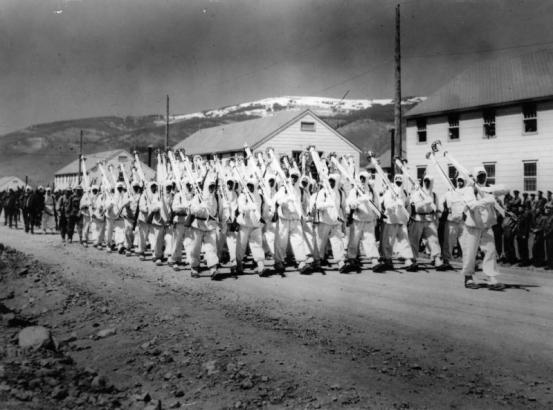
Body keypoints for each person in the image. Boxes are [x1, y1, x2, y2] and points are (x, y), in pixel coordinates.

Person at [459, 167, 506, 290]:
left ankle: (491, 277)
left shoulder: (488, 188)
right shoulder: (470, 189)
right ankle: (468, 277)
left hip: (487, 225)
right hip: (473, 225)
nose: (482, 178)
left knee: (490, 251)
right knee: (470, 252)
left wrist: (488, 190)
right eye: (479, 176)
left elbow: (506, 189)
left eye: (483, 175)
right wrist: (486, 200)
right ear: (475, 177)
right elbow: (471, 204)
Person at [373, 175, 415, 272]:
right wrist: (395, 204)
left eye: (400, 181)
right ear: (394, 181)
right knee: (389, 241)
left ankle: (408, 260)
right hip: (391, 219)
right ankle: (388, 260)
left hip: (401, 220)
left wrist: (407, 215)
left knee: (404, 241)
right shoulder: (389, 191)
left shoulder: (404, 192)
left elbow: (408, 205)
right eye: (397, 181)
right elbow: (387, 204)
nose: (398, 183)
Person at [273, 169, 309, 274]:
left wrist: (304, 215)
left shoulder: (301, 190)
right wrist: (286, 199)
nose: (293, 179)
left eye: (295, 177)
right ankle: (279, 262)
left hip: (296, 219)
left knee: (298, 241)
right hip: (284, 219)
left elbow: (305, 204)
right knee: (281, 241)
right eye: (292, 176)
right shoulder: (284, 188)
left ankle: (301, 262)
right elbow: (277, 200)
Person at [344, 171, 380, 272]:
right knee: (353, 241)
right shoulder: (354, 191)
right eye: (361, 178)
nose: (362, 180)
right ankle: (351, 259)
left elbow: (377, 205)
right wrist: (360, 200)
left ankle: (374, 261)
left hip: (369, 220)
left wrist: (377, 217)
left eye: (364, 178)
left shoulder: (372, 191)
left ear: (367, 179)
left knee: (370, 241)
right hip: (357, 220)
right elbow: (350, 204)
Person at [408, 175, 444, 270]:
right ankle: (413, 259)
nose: (427, 183)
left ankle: (437, 259)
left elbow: (438, 208)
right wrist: (425, 202)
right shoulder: (417, 193)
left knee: (434, 240)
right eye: (426, 181)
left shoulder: (434, 195)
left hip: (430, 219)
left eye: (429, 181)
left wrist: (438, 216)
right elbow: (416, 207)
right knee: (414, 240)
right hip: (417, 219)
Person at [312, 173, 346, 272]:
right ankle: (317, 261)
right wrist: (328, 204)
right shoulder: (323, 192)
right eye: (329, 180)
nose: (331, 183)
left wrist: (344, 219)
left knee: (337, 242)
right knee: (320, 242)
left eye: (333, 181)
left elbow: (343, 207)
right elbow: (318, 205)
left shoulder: (340, 193)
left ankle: (340, 262)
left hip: (336, 222)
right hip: (324, 221)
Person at [189, 178, 221, 279]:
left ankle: (213, 268)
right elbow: (192, 210)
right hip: (198, 225)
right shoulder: (198, 197)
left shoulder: (217, 197)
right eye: (210, 187)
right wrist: (201, 206)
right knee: (195, 248)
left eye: (213, 186)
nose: (212, 189)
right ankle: (194, 267)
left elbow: (220, 210)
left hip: (211, 225)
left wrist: (222, 223)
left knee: (211, 248)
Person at [236, 177, 267, 276]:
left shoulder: (261, 197)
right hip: (245, 224)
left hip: (256, 225)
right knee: (241, 245)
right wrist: (250, 206)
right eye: (248, 185)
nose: (249, 187)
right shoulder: (243, 196)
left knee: (257, 245)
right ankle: (239, 263)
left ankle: (260, 265)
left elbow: (265, 209)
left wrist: (264, 218)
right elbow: (241, 208)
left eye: (251, 185)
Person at [441, 176, 466, 269]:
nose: (459, 183)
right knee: (448, 242)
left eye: (461, 181)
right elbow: (441, 203)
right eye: (458, 181)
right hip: (451, 221)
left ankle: (468, 263)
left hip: (462, 222)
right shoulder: (448, 193)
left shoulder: (466, 193)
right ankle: (446, 261)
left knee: (466, 243)